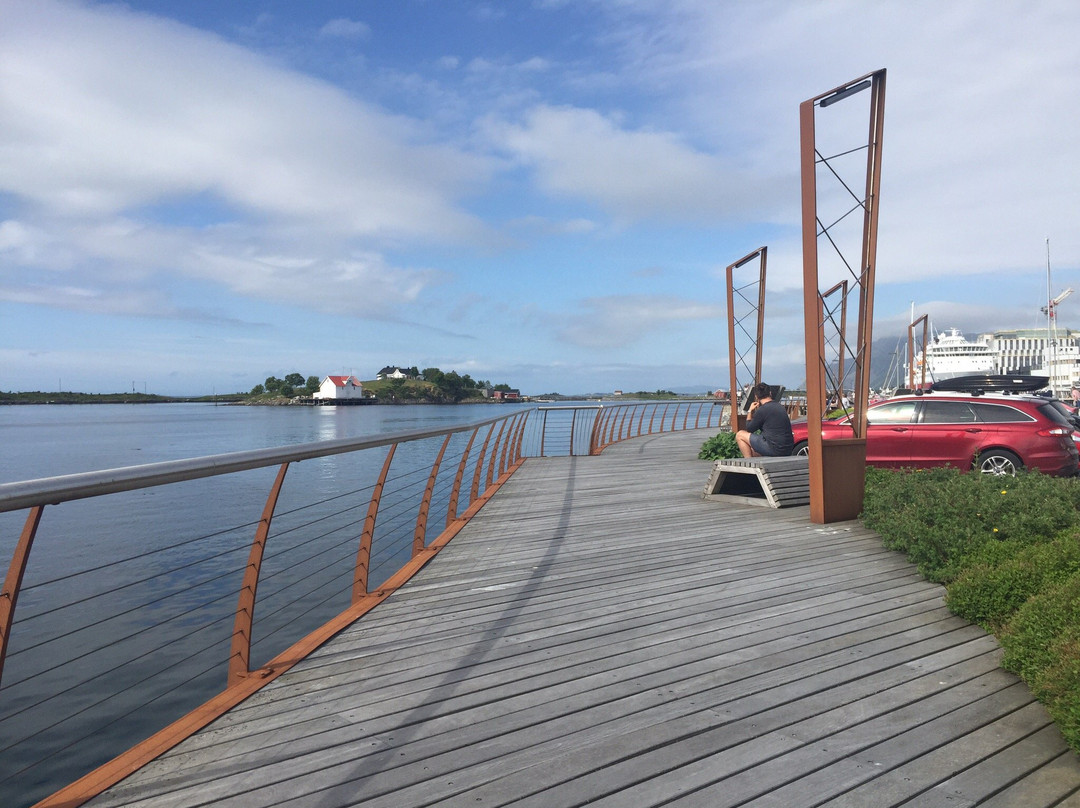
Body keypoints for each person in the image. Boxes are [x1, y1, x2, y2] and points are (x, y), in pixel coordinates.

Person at [736, 382, 795, 458]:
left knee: (740, 435)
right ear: (770, 393)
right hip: (787, 449)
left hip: (774, 449)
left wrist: (750, 411)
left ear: (756, 397)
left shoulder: (762, 410)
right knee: (752, 451)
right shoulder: (780, 407)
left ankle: (748, 463)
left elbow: (749, 429)